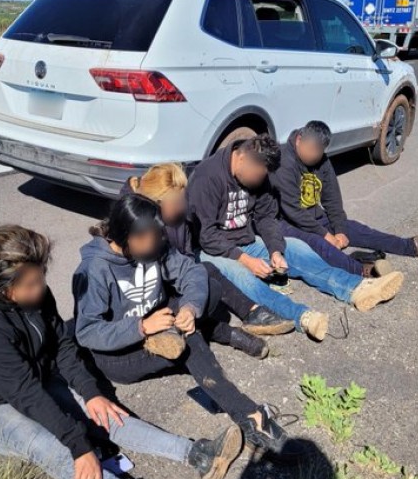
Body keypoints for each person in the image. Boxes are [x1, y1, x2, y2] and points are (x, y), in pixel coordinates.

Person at [0, 225, 246, 479]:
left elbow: (62, 345)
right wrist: (78, 446)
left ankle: (197, 453)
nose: (43, 287)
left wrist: (91, 394)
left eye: (41, 277)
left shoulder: (34, 292)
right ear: (7, 289)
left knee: (105, 412)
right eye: (33, 284)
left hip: (36, 379)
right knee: (51, 446)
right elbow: (27, 397)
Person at [72, 195, 304, 464]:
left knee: (208, 292)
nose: (158, 242)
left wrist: (190, 308)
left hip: (160, 323)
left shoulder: (154, 243)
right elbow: (88, 332)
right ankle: (250, 416)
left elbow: (192, 272)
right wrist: (142, 327)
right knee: (190, 342)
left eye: (159, 235)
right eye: (150, 238)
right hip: (121, 353)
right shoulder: (94, 269)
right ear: (127, 237)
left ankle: (215, 336)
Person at [187, 134, 405, 340]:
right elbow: (206, 235)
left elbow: (266, 218)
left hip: (244, 240)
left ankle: (357, 288)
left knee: (295, 247)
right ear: (242, 158)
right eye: (258, 175)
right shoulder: (208, 177)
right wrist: (245, 260)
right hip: (210, 250)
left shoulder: (261, 175)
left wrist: (275, 250)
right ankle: (301, 316)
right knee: (241, 276)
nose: (260, 180)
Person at [124, 163, 294, 359]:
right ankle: (228, 333)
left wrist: (187, 280)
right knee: (205, 293)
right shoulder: (136, 225)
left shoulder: (178, 220)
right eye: (178, 202)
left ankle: (252, 313)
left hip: (175, 280)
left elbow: (187, 256)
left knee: (207, 273)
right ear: (159, 203)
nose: (184, 206)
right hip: (151, 295)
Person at [270, 120, 418, 276]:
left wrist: (339, 229)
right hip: (286, 223)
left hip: (313, 217)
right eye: (311, 150)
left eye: (319, 152)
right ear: (299, 140)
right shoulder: (284, 163)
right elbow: (293, 211)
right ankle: (366, 271)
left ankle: (415, 246)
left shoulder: (320, 159)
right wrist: (325, 235)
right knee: (320, 244)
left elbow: (332, 199)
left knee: (357, 229)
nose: (315, 156)